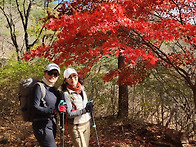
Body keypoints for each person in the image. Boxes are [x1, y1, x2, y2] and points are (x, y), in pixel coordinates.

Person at [61, 68, 93, 147]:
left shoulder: (82, 88)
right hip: (76, 126)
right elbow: (69, 114)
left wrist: (90, 107)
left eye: (74, 76)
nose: (73, 79)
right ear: (66, 80)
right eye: (69, 77)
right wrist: (85, 110)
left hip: (86, 123)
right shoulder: (66, 94)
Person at [32, 63, 61, 147]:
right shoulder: (39, 87)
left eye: (55, 74)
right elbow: (35, 107)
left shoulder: (54, 89)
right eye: (50, 73)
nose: (53, 76)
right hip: (41, 125)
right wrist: (50, 110)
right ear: (45, 73)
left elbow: (58, 106)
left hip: (52, 123)